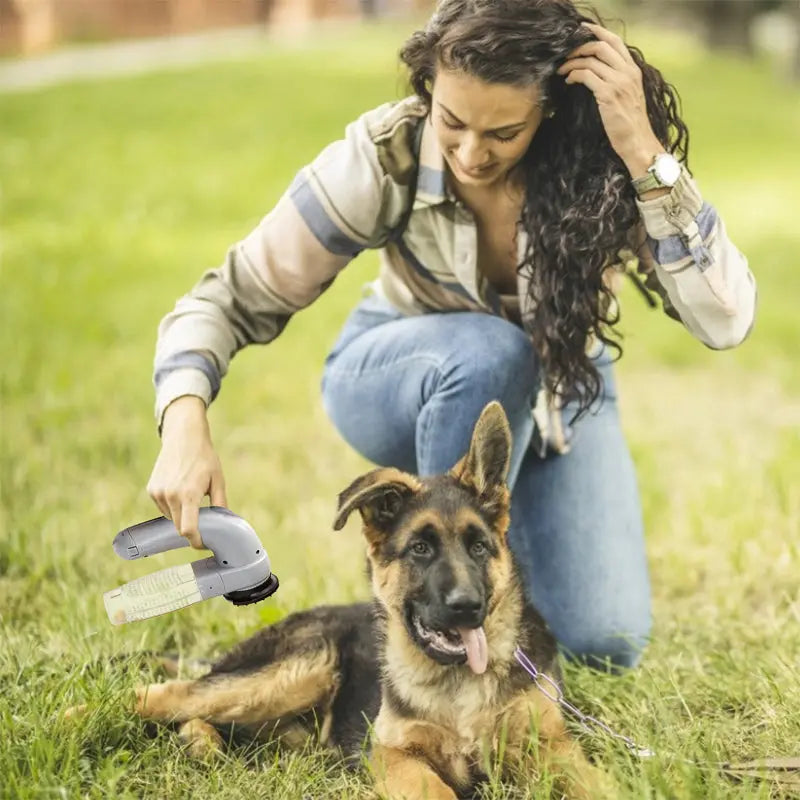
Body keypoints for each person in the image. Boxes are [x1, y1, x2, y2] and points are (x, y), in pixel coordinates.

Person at [147, 0, 756, 671]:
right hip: (402, 372)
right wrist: (183, 420)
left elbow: (725, 318)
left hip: (556, 394)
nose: (470, 152)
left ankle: (474, 585)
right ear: (428, 89)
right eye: (452, 122)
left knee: (601, 643)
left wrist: (644, 151)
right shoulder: (386, 155)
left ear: (549, 111)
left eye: (503, 132)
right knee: (495, 354)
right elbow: (230, 295)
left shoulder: (603, 167)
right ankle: (411, 639)